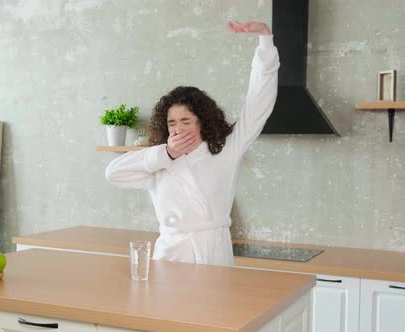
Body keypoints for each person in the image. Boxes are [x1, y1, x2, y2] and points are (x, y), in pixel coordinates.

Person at [105, 20, 279, 266]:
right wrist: (167, 153)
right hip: (171, 258)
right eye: (172, 122)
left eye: (186, 121)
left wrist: (264, 40)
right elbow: (113, 174)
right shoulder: (159, 161)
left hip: (213, 258)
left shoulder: (225, 150)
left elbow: (259, 102)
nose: (178, 129)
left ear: (202, 122)